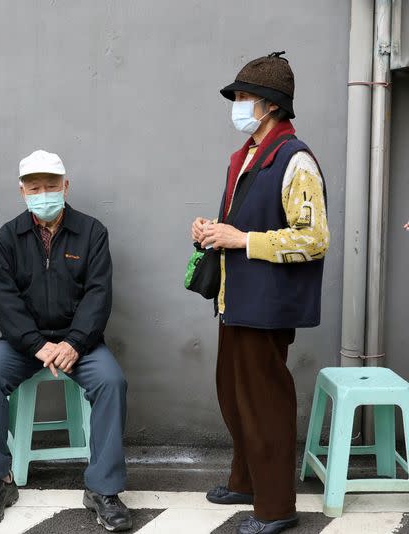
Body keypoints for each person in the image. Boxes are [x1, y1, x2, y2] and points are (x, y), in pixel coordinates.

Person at [190, 52, 329, 534]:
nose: (238, 104)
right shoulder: (247, 156)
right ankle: (246, 480)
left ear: (270, 105)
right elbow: (244, 222)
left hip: (266, 304)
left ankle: (275, 508)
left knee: (265, 401)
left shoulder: (296, 160)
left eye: (245, 96)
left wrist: (242, 240)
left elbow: (314, 239)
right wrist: (211, 230)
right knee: (234, 394)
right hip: (236, 299)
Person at [0, 150, 132, 532]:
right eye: (35, 187)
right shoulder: (7, 238)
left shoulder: (92, 232)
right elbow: (2, 300)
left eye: (51, 186)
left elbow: (98, 295)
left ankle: (102, 489)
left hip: (81, 343)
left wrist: (74, 343)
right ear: (22, 192)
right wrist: (36, 345)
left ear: (66, 186)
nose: (44, 194)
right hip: (24, 343)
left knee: (112, 382)